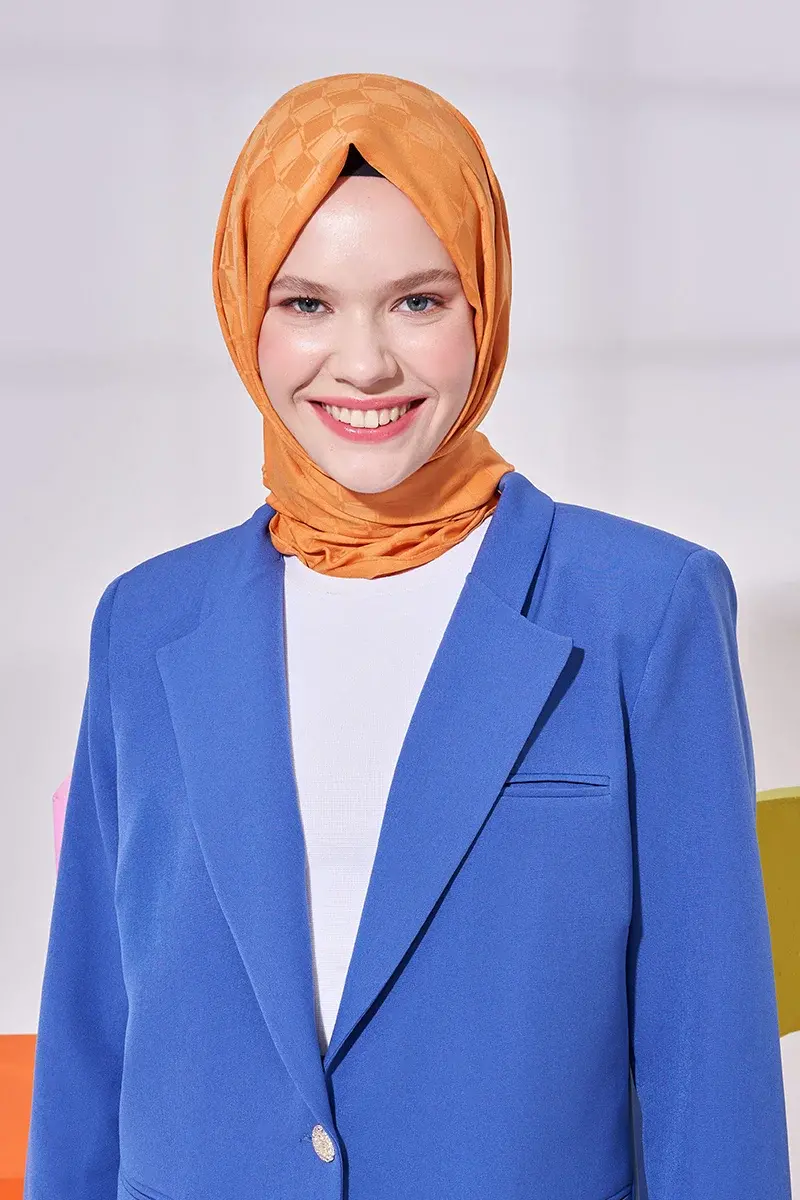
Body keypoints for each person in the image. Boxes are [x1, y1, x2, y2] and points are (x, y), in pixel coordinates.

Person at [24, 73, 791, 1200]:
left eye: (419, 302)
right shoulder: (146, 622)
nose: (365, 363)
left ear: (485, 302)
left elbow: (706, 1054)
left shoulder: (643, 606)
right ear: (244, 310)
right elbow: (92, 1038)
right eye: (306, 304)